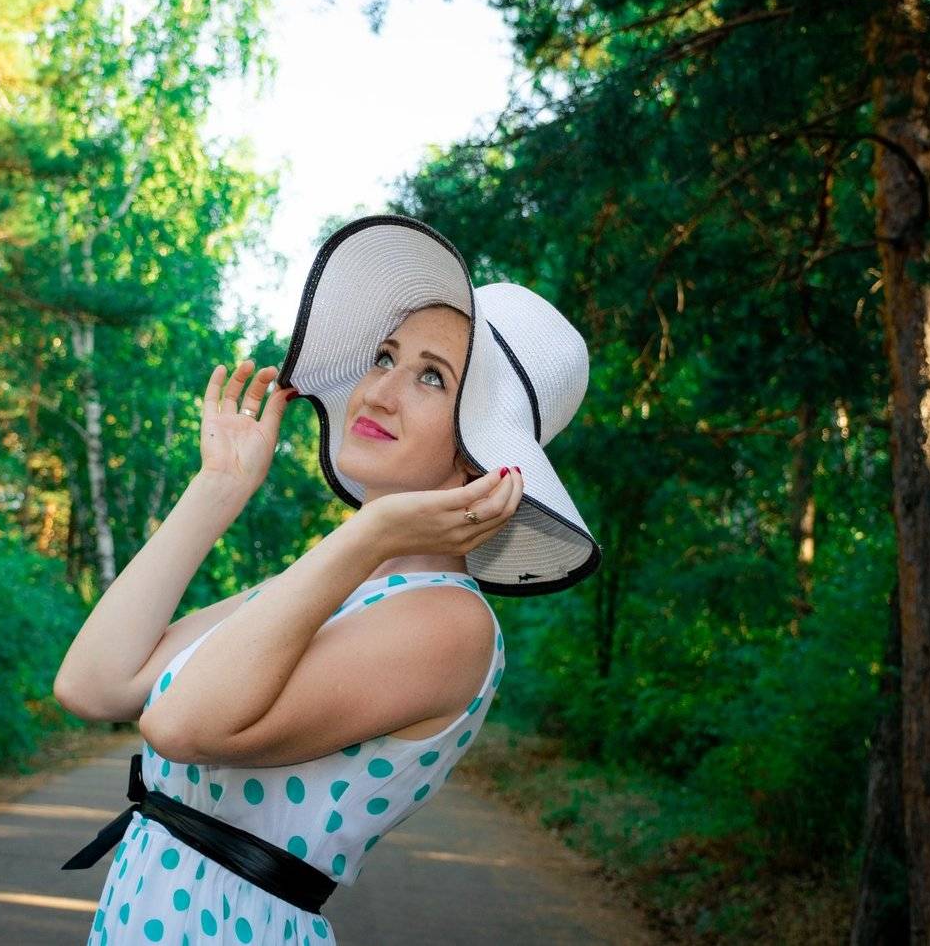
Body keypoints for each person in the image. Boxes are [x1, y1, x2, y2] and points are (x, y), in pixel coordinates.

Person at [56, 214, 599, 944]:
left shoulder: (451, 624)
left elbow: (178, 725)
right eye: (384, 357)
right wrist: (218, 488)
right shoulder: (332, 589)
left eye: (431, 377)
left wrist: (369, 532)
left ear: (482, 459)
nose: (377, 392)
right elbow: (94, 684)